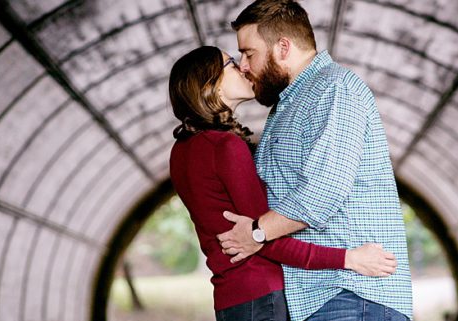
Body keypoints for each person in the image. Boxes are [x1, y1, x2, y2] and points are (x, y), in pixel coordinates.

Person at [215, 1, 414, 320]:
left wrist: (255, 233)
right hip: (325, 296)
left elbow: (323, 192)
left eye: (249, 53)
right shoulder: (289, 104)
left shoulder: (334, 89)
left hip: (353, 294)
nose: (244, 65)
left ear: (283, 47)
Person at [168, 45, 398, 321]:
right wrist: (349, 258)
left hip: (229, 298)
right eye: (230, 62)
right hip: (261, 294)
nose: (242, 66)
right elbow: (262, 236)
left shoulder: (180, 151)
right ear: (212, 85)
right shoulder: (225, 147)